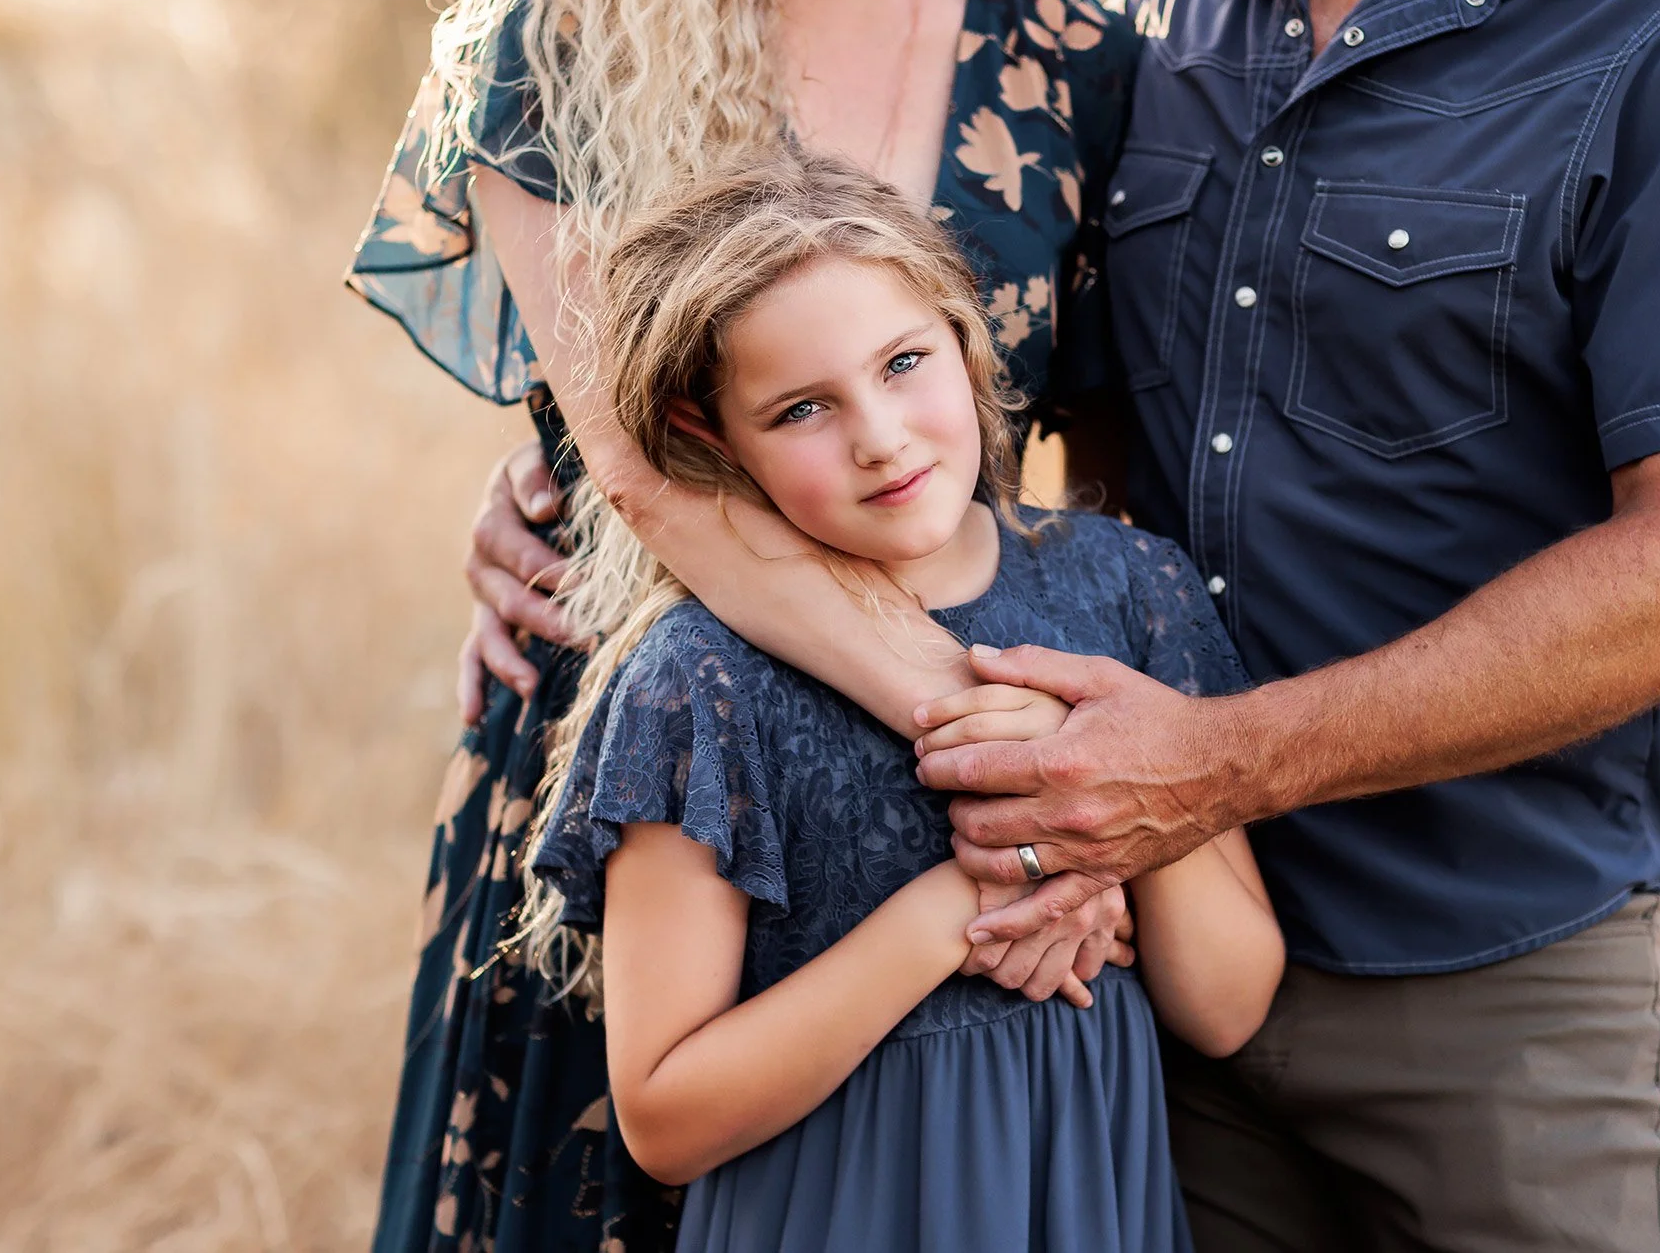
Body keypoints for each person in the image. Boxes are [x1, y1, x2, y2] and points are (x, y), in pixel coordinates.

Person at [905, 0, 1660, 1248]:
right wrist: (582, 482)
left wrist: (1213, 766)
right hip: (1162, 971)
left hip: (1505, 995)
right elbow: (1080, 449)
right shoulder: (1169, 10)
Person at [344, 0, 1139, 1246]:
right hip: (665, 800)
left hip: (975, 841)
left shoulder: (1071, 57)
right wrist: (1035, 783)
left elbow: (1105, 480)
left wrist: (1107, 793)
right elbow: (645, 468)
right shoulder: (563, 13)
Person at [521, 145, 1283, 1253]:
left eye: (902, 362)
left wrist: (1105, 789)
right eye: (798, 410)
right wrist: (950, 921)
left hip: (1080, 1204)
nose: (878, 437)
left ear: (967, 339)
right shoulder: (700, 681)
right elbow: (663, 1116)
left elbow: (1227, 1005)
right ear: (706, 435)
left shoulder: (1127, 590)